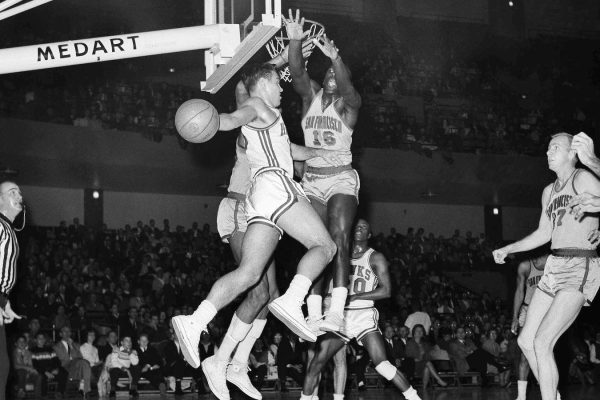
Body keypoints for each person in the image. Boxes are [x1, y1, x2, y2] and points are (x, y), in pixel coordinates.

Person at [172, 63, 342, 400]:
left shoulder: (271, 119)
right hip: (274, 187)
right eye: (278, 83)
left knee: (250, 275)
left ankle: (195, 322)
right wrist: (212, 121)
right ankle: (294, 300)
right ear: (263, 84)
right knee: (325, 245)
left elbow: (290, 150)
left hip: (261, 197)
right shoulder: (258, 105)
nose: (283, 89)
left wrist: (323, 152)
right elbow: (236, 113)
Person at [494, 132, 600, 400]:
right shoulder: (548, 191)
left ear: (571, 153)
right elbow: (544, 233)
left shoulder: (583, 178)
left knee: (543, 342)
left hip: (580, 264)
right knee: (525, 340)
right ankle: (551, 394)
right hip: (554, 266)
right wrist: (509, 248)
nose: (547, 152)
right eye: (547, 147)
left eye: (555, 147)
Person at [286, 9, 362, 332]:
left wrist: (336, 58)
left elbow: (349, 92)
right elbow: (297, 71)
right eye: (328, 73)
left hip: (341, 177)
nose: (331, 76)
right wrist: (294, 39)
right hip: (313, 179)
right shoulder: (311, 97)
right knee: (318, 246)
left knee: (339, 238)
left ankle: (337, 311)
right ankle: (315, 313)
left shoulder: (348, 106)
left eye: (336, 74)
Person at [301, 219, 421, 400]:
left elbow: (386, 290)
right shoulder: (337, 254)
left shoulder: (375, 257)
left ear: (369, 235)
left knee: (382, 365)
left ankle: (414, 397)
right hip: (339, 315)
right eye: (356, 226)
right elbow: (323, 280)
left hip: (363, 314)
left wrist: (355, 297)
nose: (359, 228)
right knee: (317, 362)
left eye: (364, 227)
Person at [511, 253, 548, 400]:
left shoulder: (553, 263)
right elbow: (519, 291)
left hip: (547, 311)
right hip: (527, 310)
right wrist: (514, 316)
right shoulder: (525, 265)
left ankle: (552, 391)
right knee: (524, 355)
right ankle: (521, 396)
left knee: (546, 354)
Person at [0, 180, 24, 399]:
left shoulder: (8, 228)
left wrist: (4, 302)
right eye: (12, 192)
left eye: (20, 192)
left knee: (3, 367)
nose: (19, 196)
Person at [405, 325, 447, 389]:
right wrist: (421, 355)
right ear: (414, 332)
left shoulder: (425, 344)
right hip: (413, 365)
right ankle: (439, 380)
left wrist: (424, 355)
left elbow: (428, 356)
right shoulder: (410, 343)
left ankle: (424, 389)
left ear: (423, 333)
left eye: (421, 331)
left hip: (423, 363)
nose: (419, 332)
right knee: (427, 363)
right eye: (417, 330)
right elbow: (409, 357)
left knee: (427, 367)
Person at [31, 333, 68, 398]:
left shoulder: (50, 349)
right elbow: (35, 365)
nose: (41, 340)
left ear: (45, 340)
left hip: (52, 369)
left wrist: (55, 369)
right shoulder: (33, 350)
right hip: (42, 371)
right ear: (36, 340)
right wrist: (46, 372)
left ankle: (59, 392)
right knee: (42, 376)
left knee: (64, 372)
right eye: (39, 338)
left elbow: (56, 361)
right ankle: (44, 396)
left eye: (43, 338)